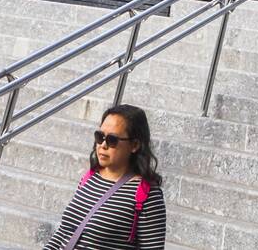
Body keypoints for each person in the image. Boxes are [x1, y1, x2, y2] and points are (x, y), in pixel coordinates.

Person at [43, 104, 166, 250]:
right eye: (99, 137)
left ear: (134, 145)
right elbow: (63, 233)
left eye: (112, 140)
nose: (102, 145)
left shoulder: (146, 194)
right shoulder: (90, 178)